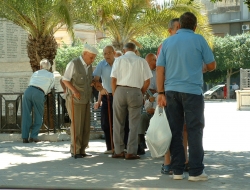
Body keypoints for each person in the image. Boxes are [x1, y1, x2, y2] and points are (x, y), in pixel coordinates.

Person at [157, 12, 216, 181]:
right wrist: (202, 66)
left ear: (179, 25)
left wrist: (160, 93)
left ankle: (176, 171)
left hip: (170, 92)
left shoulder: (167, 42)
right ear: (195, 26)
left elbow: (160, 69)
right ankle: (196, 172)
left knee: (175, 130)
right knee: (194, 130)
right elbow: (212, 65)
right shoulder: (199, 40)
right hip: (192, 92)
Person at [111, 42, 152, 160]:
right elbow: (147, 81)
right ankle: (131, 152)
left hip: (120, 90)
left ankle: (118, 151)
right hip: (136, 91)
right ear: (135, 50)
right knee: (134, 124)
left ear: (124, 50)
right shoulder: (142, 61)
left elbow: (113, 80)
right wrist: (141, 93)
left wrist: (115, 94)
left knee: (118, 122)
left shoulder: (118, 60)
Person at [62, 43, 98, 158]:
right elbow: (65, 80)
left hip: (86, 99)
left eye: (94, 58)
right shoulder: (73, 63)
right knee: (77, 125)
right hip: (75, 100)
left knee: (85, 126)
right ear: (85, 54)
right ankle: (76, 151)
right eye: (91, 57)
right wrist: (74, 91)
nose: (92, 60)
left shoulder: (89, 67)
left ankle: (82, 150)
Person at [22, 59, 55, 143]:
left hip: (28, 91)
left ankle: (25, 137)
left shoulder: (35, 73)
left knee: (26, 114)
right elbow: (50, 88)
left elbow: (30, 82)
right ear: (49, 68)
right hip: (39, 93)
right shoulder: (51, 75)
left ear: (40, 66)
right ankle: (34, 136)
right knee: (38, 115)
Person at [93, 45, 116, 154]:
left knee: (120, 122)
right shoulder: (101, 65)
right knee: (106, 122)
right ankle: (110, 147)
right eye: (105, 53)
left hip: (119, 96)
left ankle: (121, 147)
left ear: (114, 53)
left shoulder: (119, 63)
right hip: (107, 96)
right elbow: (95, 80)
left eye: (109, 53)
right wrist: (100, 88)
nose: (107, 55)